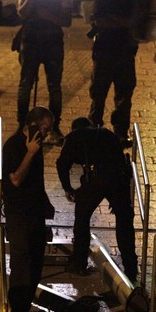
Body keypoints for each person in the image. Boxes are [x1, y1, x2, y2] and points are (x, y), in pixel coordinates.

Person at [56, 117, 137, 281]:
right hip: (118, 179)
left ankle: (79, 263)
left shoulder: (74, 137)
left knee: (82, 219)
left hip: (95, 180)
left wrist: (68, 188)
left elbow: (61, 164)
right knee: (124, 222)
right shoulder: (107, 133)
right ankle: (131, 267)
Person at [2, 106, 55, 312]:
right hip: (19, 215)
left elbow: (36, 180)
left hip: (35, 214)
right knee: (22, 265)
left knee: (36, 263)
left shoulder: (37, 146)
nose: (47, 134)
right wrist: (30, 153)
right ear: (32, 125)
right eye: (44, 128)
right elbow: (15, 179)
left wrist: (46, 204)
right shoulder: (15, 146)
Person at [15, 0, 72, 145]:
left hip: (53, 43)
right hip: (31, 41)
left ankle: (54, 127)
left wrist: (44, 14)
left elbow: (67, 20)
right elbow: (22, 13)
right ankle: (22, 125)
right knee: (26, 84)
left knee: (54, 86)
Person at [88, 0, 139, 148]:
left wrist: (114, 20)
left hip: (124, 53)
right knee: (99, 92)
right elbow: (99, 21)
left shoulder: (132, 0)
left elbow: (136, 23)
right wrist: (123, 22)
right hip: (105, 51)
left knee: (124, 94)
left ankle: (120, 132)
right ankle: (94, 128)